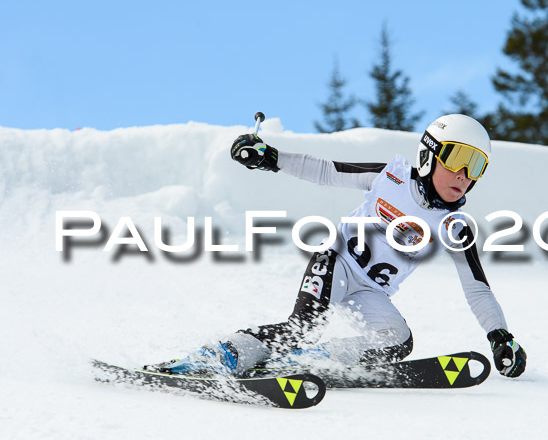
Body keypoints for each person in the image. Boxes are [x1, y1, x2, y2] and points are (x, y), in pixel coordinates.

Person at [148, 114, 526, 379]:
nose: (464, 175)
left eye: (476, 166)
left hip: (371, 291)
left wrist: (499, 336)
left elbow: (477, 288)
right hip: (336, 262)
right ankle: (217, 356)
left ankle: (309, 361)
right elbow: (326, 170)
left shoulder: (454, 226)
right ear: (429, 154)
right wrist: (271, 158)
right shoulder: (390, 177)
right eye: (457, 159)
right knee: (301, 327)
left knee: (398, 341)